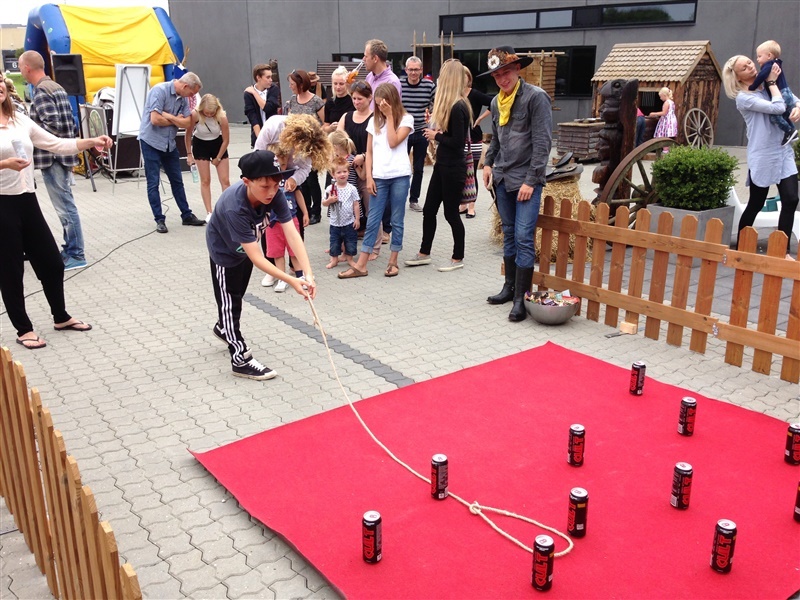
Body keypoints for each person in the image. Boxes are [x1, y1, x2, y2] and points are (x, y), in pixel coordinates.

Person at [0, 78, 113, 349]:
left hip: (27, 199)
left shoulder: (19, 119)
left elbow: (56, 144)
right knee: (11, 270)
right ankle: (23, 329)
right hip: (2, 204)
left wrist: (91, 141)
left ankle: (60, 317)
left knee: (52, 263)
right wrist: (4, 164)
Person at [207, 149, 316, 380]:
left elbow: (292, 233)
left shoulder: (274, 193)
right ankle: (240, 358)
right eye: (265, 187)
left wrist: (307, 273)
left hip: (246, 248)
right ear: (247, 181)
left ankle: (224, 328)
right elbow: (258, 259)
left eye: (275, 185)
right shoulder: (235, 206)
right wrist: (291, 280)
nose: (272, 192)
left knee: (237, 294)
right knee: (229, 302)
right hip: (224, 252)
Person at [480, 46, 552, 322]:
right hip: (502, 178)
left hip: (525, 181)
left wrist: (531, 180)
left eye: (506, 72)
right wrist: (488, 163)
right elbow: (495, 139)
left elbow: (543, 143)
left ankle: (522, 298)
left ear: (518, 69)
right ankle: (509, 288)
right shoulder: (496, 102)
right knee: (509, 234)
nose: (502, 79)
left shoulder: (536, 98)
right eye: (497, 75)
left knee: (523, 237)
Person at [722, 55, 800, 260]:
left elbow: (792, 98)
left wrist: (797, 108)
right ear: (737, 77)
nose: (750, 66)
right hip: (763, 154)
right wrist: (772, 83)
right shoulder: (744, 98)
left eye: (750, 62)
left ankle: (782, 252)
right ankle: (741, 247)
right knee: (756, 203)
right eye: (744, 67)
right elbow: (778, 107)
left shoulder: (766, 84)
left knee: (791, 199)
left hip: (783, 150)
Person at [19, 50, 87, 271]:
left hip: (53, 158)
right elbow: (70, 123)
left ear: (27, 68)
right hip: (62, 156)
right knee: (66, 205)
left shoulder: (41, 92)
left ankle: (76, 253)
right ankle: (70, 248)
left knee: (65, 208)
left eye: (20, 67)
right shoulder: (57, 87)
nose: (20, 71)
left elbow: (53, 126)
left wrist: (29, 131)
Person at [338, 83, 412, 279]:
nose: (380, 107)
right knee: (372, 219)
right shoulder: (374, 121)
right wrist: (369, 177)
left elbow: (393, 142)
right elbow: (369, 152)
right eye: (378, 104)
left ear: (392, 101)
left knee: (396, 220)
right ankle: (361, 265)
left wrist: (390, 117)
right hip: (379, 176)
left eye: (383, 104)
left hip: (399, 175)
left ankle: (393, 261)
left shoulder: (406, 119)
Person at [405, 59, 471, 272]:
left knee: (451, 214)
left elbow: (458, 143)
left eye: (442, 76)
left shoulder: (459, 106)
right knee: (429, 210)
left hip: (453, 168)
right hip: (442, 166)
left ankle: (458, 257)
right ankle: (424, 253)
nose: (439, 80)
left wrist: (436, 136)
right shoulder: (451, 105)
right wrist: (438, 132)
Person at [254, 113, 331, 284]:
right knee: (269, 227)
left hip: (289, 179)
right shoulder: (273, 127)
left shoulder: (308, 143)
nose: (299, 150)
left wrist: (294, 180)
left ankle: (298, 269)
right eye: (299, 145)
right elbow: (257, 155)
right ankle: (273, 269)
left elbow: (305, 168)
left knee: (296, 228)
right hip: (268, 175)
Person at [138, 72, 207, 232]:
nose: (192, 97)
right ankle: (159, 219)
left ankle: (186, 215)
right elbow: (155, 120)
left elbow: (187, 123)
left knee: (177, 181)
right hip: (151, 142)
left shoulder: (183, 98)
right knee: (153, 182)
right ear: (185, 86)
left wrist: (168, 116)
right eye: (192, 93)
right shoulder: (159, 91)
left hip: (169, 144)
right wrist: (177, 119)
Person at [286, 69, 325, 224]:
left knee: (312, 179)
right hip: (296, 146)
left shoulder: (316, 101)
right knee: (301, 179)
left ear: (300, 84)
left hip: (311, 145)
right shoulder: (292, 100)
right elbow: (289, 121)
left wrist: (315, 138)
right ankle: (305, 209)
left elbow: (325, 123)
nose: (290, 87)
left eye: (292, 84)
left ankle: (316, 212)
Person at [265, 149, 306, 293]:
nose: (281, 168)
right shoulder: (267, 179)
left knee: (294, 250)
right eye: (278, 165)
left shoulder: (290, 176)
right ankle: (282, 278)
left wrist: (305, 213)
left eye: (283, 164)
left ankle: (300, 276)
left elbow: (298, 194)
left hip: (291, 218)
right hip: (273, 222)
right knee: (277, 252)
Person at [185, 94, 231, 223]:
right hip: (200, 144)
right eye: (207, 113)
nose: (209, 115)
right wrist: (189, 154)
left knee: (225, 180)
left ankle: (227, 209)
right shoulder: (195, 115)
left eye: (212, 113)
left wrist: (218, 158)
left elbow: (226, 140)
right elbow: (188, 135)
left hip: (218, 144)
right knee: (205, 180)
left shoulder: (222, 117)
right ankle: (209, 212)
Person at [400, 56, 436, 213]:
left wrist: (432, 116)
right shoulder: (399, 85)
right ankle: (400, 198)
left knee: (419, 168)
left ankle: (414, 199)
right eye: (410, 69)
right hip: (404, 131)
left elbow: (437, 104)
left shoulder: (429, 86)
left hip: (421, 130)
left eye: (416, 69)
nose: (413, 73)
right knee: (402, 167)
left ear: (421, 70)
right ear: (406, 70)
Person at [337, 81, 372, 231]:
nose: (356, 102)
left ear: (369, 98)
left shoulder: (375, 118)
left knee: (368, 201)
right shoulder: (346, 116)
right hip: (347, 168)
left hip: (367, 167)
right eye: (354, 98)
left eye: (360, 99)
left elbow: (379, 146)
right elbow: (337, 140)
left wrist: (363, 156)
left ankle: (374, 231)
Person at [749, 40, 799, 146]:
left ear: (769, 56)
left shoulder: (769, 65)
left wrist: (752, 87)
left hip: (781, 93)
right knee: (785, 115)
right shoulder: (776, 63)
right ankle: (792, 132)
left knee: (775, 116)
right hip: (787, 92)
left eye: (759, 56)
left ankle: (789, 131)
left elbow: (761, 76)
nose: (757, 59)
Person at [462, 66, 494, 218]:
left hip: (473, 136)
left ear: (469, 78)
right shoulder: (453, 95)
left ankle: (471, 206)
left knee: (472, 172)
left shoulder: (474, 94)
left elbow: (494, 102)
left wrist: (480, 118)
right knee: (461, 172)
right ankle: (462, 203)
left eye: (464, 76)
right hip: (458, 137)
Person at [323, 156, 360, 269]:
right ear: (333, 175)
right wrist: (329, 200)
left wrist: (357, 219)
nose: (342, 174)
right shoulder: (330, 189)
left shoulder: (352, 188)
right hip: (335, 223)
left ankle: (350, 259)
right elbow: (324, 203)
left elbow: (356, 204)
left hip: (349, 222)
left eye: (345, 171)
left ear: (349, 172)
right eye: (339, 172)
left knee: (350, 242)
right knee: (334, 242)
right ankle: (334, 260)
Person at [244, 63, 281, 148]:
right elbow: (252, 117)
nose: (271, 80)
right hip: (258, 134)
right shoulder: (248, 94)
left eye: (271, 77)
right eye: (268, 77)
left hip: (274, 135)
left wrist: (255, 93)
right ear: (258, 78)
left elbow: (268, 108)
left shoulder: (273, 89)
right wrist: (260, 138)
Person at [363, 39, 402, 109]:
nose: (363, 59)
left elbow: (395, 111)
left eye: (366, 56)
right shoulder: (369, 77)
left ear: (375, 58)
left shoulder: (392, 82)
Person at [323, 66, 355, 135]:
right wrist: (330, 128)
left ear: (346, 83)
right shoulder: (329, 103)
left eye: (341, 84)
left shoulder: (353, 101)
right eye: (335, 83)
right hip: (334, 137)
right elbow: (325, 126)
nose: (338, 87)